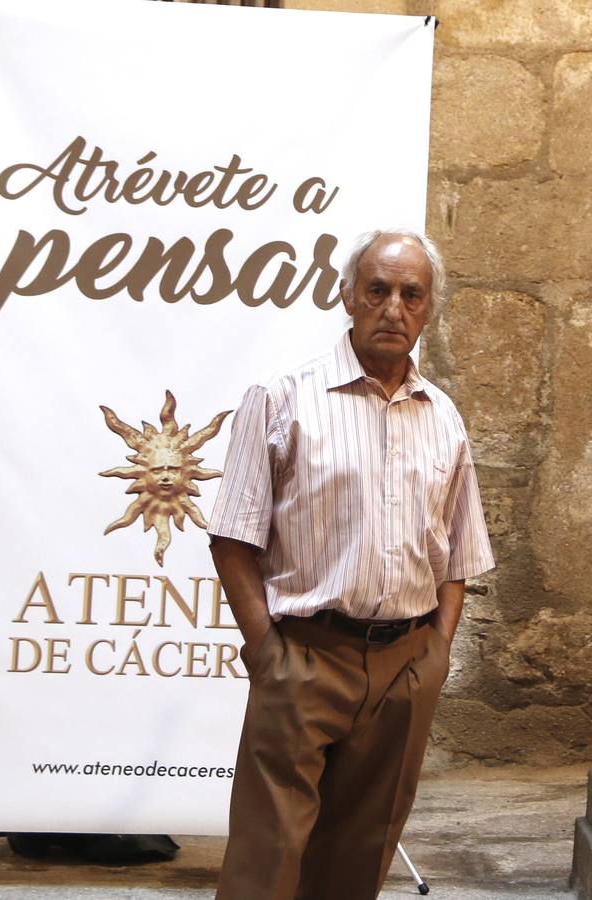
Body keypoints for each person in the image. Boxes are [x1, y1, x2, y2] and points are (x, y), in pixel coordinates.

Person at [207, 229, 494, 900]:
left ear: (428, 310)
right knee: (266, 858)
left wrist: (437, 657)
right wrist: (269, 656)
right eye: (378, 290)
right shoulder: (282, 399)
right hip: (304, 656)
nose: (393, 307)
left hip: (405, 664)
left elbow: (458, 555)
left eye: (410, 294)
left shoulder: (444, 418)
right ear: (347, 296)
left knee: (360, 857)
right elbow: (232, 539)